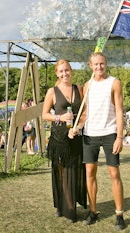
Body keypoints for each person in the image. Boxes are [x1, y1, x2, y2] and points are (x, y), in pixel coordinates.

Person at [82, 52, 126, 230]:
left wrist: (120, 136)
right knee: (90, 173)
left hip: (110, 133)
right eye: (95, 64)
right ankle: (93, 211)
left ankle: (119, 214)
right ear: (90, 66)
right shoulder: (87, 85)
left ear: (106, 64)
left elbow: (119, 111)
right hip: (89, 134)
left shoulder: (114, 83)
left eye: (102, 64)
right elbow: (85, 113)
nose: (99, 67)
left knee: (114, 174)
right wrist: (77, 127)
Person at [42, 59, 87, 223]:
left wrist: (78, 127)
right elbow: (44, 114)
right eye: (61, 71)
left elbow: (84, 113)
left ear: (71, 71)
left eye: (67, 70)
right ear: (57, 73)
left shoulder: (79, 89)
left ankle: (70, 207)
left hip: (75, 137)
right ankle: (62, 207)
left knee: (72, 171)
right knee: (60, 172)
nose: (64, 74)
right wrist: (59, 117)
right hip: (59, 138)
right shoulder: (52, 92)